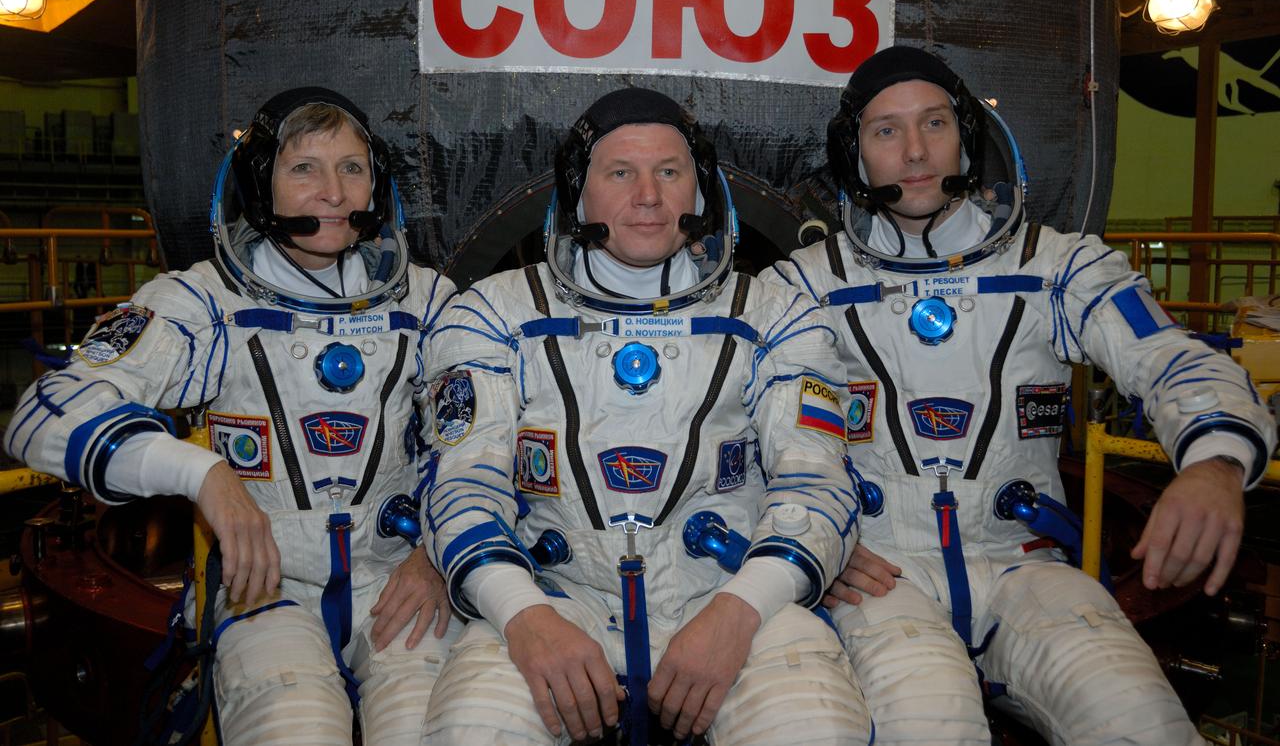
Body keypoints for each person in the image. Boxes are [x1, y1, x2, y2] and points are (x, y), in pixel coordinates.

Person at [763, 46, 1276, 745]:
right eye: (886, 131)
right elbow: (747, 426)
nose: (914, 151)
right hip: (879, 570)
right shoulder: (804, 287)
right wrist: (817, 542)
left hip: (1025, 565)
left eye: (935, 123)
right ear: (855, 156)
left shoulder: (1058, 267)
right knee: (930, 725)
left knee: (1142, 721)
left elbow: (1167, 357)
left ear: (967, 137)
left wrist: (1215, 461)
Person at [5, 88, 461, 745]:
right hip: (265, 589)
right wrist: (202, 473)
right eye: (304, 167)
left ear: (376, 187)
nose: (333, 191)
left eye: (352, 168)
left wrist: (437, 554)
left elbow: (485, 443)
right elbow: (42, 417)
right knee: (294, 729)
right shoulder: (207, 302)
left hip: (404, 582)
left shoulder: (429, 301)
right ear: (259, 185)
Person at [420, 87, 872, 745]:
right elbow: (463, 486)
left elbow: (817, 483)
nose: (648, 195)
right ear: (577, 192)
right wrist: (523, 615)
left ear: (701, 190)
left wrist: (741, 610)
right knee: (473, 730)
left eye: (669, 171)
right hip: (554, 600)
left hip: (729, 600)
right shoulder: (494, 313)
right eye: (620, 172)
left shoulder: (774, 314)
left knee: (815, 728)